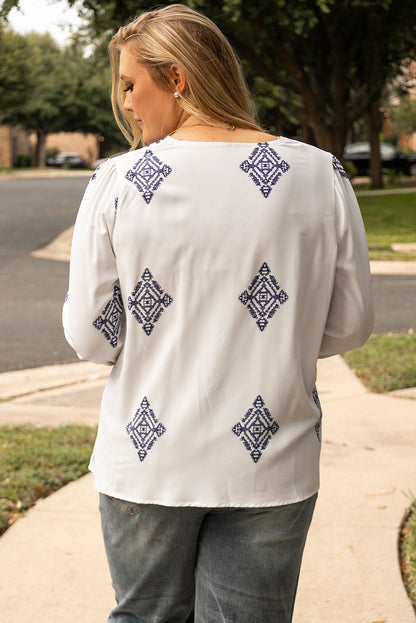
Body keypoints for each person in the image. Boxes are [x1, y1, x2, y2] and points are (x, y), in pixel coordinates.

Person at [62, 4, 374, 622]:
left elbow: (91, 338)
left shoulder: (118, 181)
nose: (125, 102)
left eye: (131, 84)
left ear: (177, 77)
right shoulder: (320, 173)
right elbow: (349, 326)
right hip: (272, 460)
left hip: (148, 461)